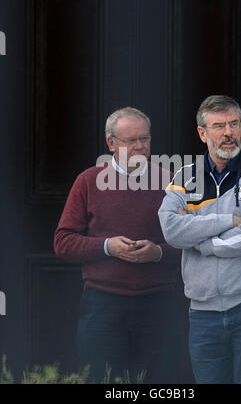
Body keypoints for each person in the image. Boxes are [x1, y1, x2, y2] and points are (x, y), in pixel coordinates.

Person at [158, 95, 241, 384]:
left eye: (234, 124)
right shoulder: (185, 176)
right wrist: (229, 221)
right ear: (203, 133)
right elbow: (171, 229)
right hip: (203, 313)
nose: (229, 133)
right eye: (219, 126)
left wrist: (207, 243)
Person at [54, 107, 181, 383]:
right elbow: (63, 241)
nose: (139, 146)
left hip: (158, 305)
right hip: (103, 305)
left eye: (144, 139)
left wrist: (157, 253)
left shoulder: (171, 182)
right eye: (130, 140)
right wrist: (107, 246)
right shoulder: (88, 181)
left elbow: (192, 244)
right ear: (111, 143)